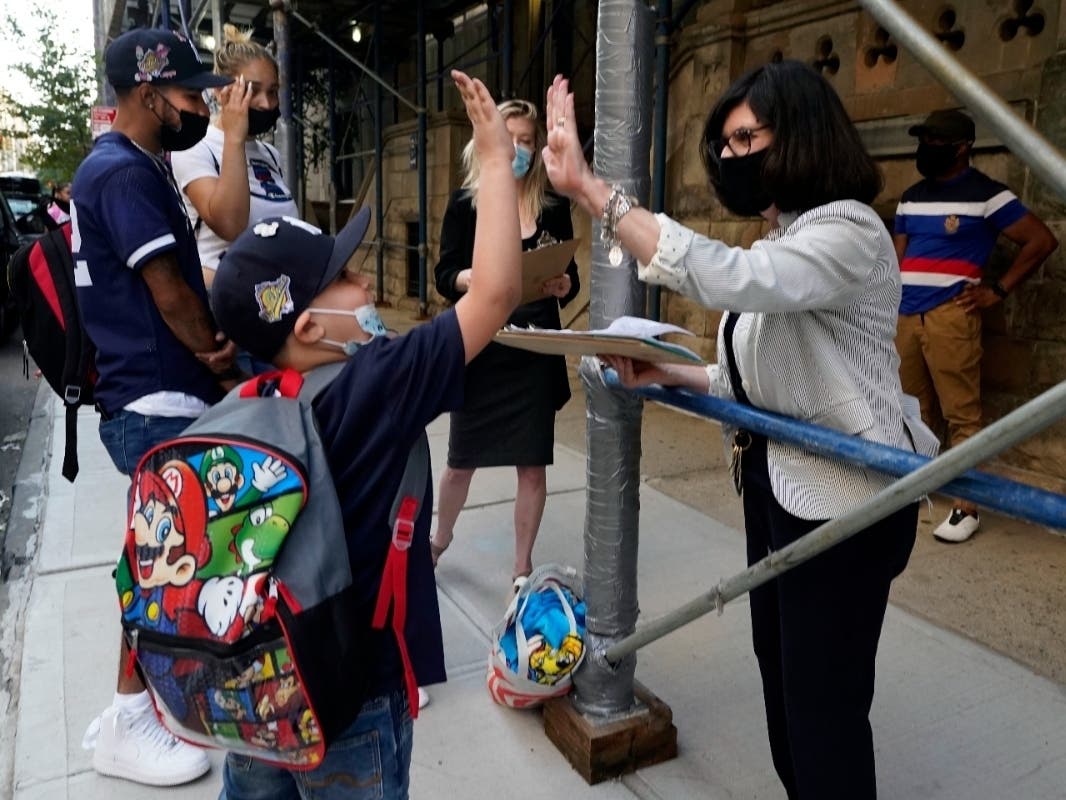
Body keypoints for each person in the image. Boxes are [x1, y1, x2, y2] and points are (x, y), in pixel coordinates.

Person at [542, 61, 939, 800]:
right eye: (724, 145)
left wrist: (593, 192)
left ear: (803, 136)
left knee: (825, 709)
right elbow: (756, 377)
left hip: (844, 500)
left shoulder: (848, 232)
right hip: (779, 482)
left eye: (746, 138)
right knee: (783, 679)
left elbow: (726, 278)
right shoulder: (791, 239)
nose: (731, 159)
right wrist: (670, 374)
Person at [207, 69, 520, 799]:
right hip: (353, 688)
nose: (367, 282)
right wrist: (498, 163)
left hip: (260, 682)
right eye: (346, 274)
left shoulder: (247, 400)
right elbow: (498, 293)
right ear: (310, 326)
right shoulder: (374, 381)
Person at [72, 28, 238, 786]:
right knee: (160, 565)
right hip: (155, 397)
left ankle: (138, 711)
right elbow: (168, 289)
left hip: (153, 396)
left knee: (157, 559)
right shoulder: (123, 175)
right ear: (147, 95)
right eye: (186, 92)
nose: (197, 103)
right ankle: (129, 720)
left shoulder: (129, 166)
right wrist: (218, 356)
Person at [431, 98, 580, 587]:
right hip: (483, 341)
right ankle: (438, 540)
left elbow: (570, 273)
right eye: (509, 137)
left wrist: (563, 284)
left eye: (526, 141)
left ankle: (522, 567)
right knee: (460, 461)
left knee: (532, 466)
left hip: (535, 347)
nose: (519, 149)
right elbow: (444, 275)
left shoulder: (552, 205)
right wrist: (475, 277)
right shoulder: (466, 203)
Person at [894, 109, 1057, 543]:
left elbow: (1041, 240)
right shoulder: (911, 196)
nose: (924, 149)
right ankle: (918, 485)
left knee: (962, 414)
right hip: (906, 315)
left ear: (962, 148)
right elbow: (898, 260)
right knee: (913, 409)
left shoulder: (988, 195)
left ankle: (968, 508)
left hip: (951, 315)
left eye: (933, 142)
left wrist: (997, 290)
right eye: (922, 140)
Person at [171, 23, 298, 291]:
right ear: (220, 91)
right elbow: (230, 225)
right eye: (252, 89)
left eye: (273, 92)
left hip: (276, 297)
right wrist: (234, 137)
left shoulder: (270, 155)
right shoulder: (196, 148)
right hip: (226, 299)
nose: (266, 104)